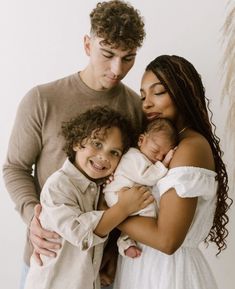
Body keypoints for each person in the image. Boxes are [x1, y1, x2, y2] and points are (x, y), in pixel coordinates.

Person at [2, 1, 146, 288]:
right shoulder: (42, 99)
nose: (118, 69)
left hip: (98, 266)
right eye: (108, 54)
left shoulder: (134, 107)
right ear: (87, 45)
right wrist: (34, 218)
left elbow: (133, 179)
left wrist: (116, 251)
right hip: (47, 258)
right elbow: (14, 168)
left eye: (128, 58)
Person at [112, 54, 233, 289]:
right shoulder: (157, 147)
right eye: (143, 95)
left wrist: (107, 212)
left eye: (157, 92)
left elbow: (167, 240)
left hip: (169, 274)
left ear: (182, 92)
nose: (146, 103)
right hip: (141, 265)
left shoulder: (190, 147)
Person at [23, 106, 153, 289]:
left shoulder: (101, 189)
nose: (103, 157)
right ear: (77, 143)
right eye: (97, 144)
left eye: (114, 153)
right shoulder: (59, 185)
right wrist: (123, 208)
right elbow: (80, 233)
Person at [103, 118, 178, 258]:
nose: (158, 157)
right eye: (155, 150)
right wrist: (165, 163)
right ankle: (145, 235)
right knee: (149, 208)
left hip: (123, 194)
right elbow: (147, 177)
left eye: (163, 155)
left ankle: (126, 241)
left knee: (139, 214)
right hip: (117, 194)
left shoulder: (143, 157)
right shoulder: (133, 157)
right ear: (141, 140)